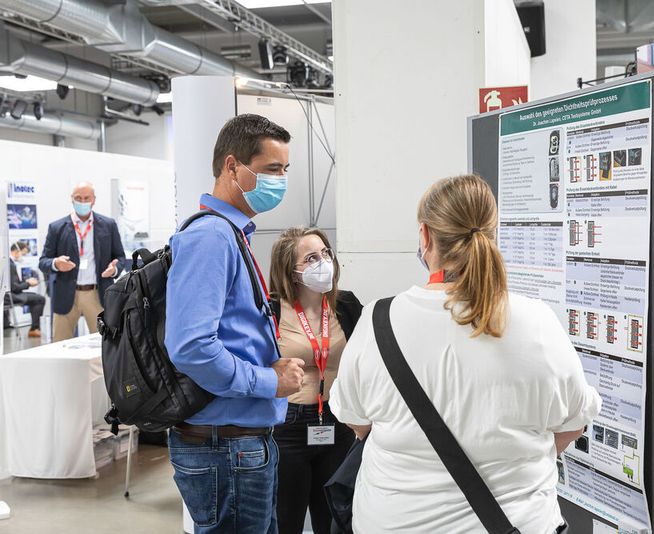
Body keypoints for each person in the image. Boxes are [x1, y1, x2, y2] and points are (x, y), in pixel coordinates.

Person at [330, 175, 602, 533]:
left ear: (425, 236)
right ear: (492, 234)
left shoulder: (378, 321)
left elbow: (356, 420)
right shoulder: (537, 321)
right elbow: (574, 422)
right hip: (517, 524)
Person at [165, 114, 306, 533]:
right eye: (271, 169)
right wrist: (268, 381)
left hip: (236, 443)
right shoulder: (211, 237)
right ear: (232, 166)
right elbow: (191, 347)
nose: (280, 181)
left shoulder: (230, 233)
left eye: (285, 170)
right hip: (225, 446)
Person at [268, 227, 362, 534]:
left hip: (338, 421)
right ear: (291, 270)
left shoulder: (346, 305)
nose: (323, 262)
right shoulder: (270, 310)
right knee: (287, 520)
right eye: (310, 258)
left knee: (336, 520)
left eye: (325, 253)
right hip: (288, 426)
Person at [39, 182, 125, 342]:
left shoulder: (108, 225)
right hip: (65, 293)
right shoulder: (56, 227)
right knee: (60, 343)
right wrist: (56, 263)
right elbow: (43, 261)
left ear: (94, 200)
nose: (83, 202)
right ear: (72, 199)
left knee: (103, 343)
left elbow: (120, 257)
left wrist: (114, 269)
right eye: (78, 198)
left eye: (87, 198)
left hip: (96, 294)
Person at [8, 241, 45, 338]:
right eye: (23, 254)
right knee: (40, 299)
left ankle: (34, 328)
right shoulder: (10, 265)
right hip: (11, 296)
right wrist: (28, 283)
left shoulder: (9, 263)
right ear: (16, 251)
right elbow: (14, 288)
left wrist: (26, 282)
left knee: (37, 298)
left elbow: (14, 284)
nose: (23, 257)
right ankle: (34, 329)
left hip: (10, 294)